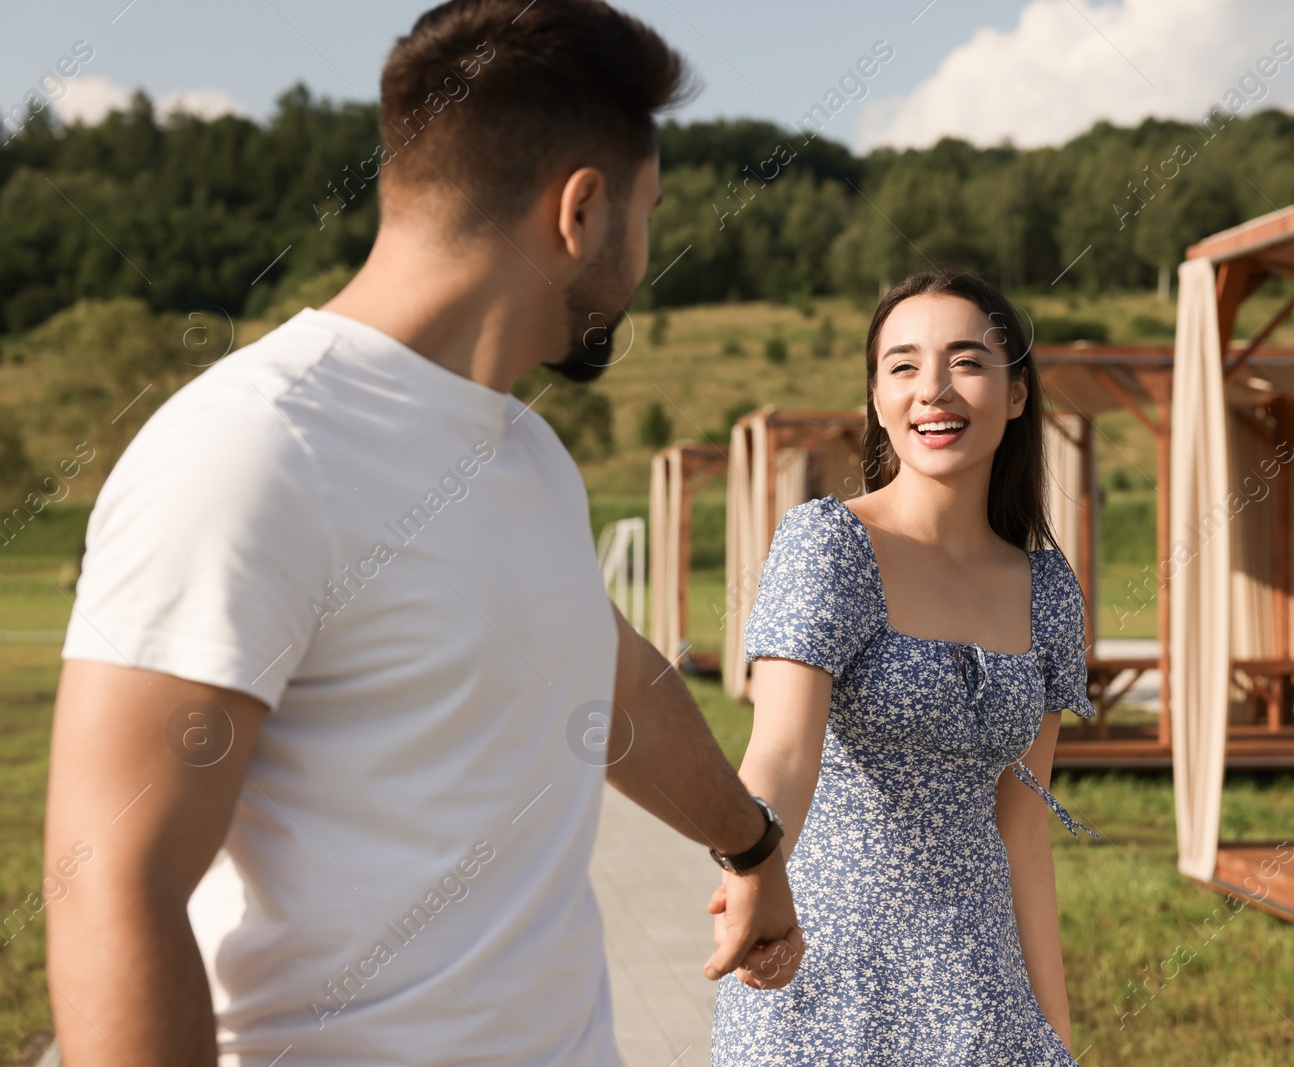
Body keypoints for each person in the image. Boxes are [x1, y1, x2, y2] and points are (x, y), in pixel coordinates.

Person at [42, 2, 803, 1064]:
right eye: (649, 212)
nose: (644, 254)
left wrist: (750, 842)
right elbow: (111, 882)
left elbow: (610, 678)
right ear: (581, 212)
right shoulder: (251, 448)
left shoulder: (531, 456)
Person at [708, 268, 1099, 1065]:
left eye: (966, 361)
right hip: (820, 982)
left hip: (980, 996)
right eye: (903, 365)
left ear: (1016, 393)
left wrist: (1055, 1032)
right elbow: (782, 753)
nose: (934, 390)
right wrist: (754, 870)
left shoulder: (1049, 590)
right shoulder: (829, 544)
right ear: (879, 397)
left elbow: (1023, 834)